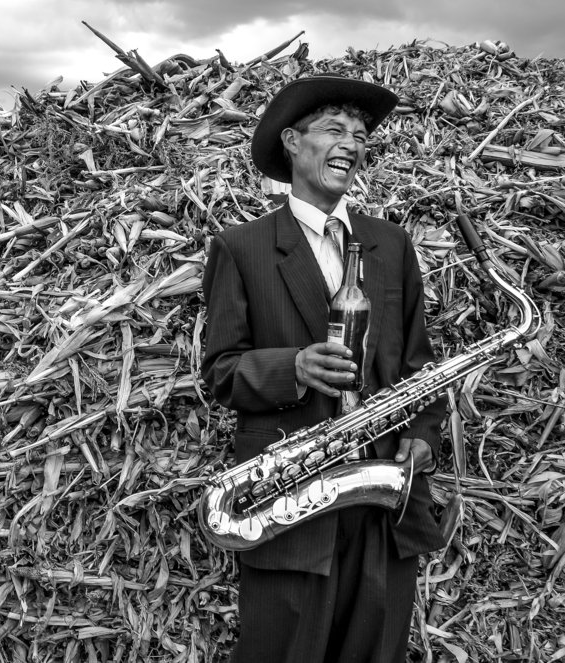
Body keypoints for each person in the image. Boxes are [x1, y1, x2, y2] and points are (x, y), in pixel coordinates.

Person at [202, 76, 446, 662]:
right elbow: (220, 372)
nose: (353, 144)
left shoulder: (392, 243)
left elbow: (418, 367)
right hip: (293, 510)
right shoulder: (243, 247)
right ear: (292, 141)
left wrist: (421, 436)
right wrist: (296, 367)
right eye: (335, 130)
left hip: (383, 503)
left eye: (360, 135)